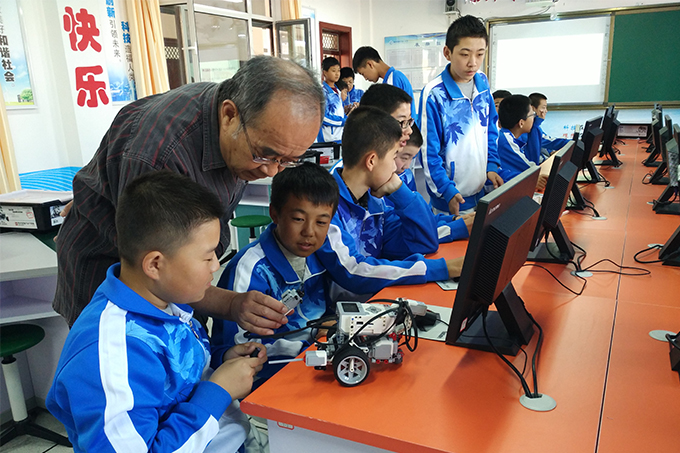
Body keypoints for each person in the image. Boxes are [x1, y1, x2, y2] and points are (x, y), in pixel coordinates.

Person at [53, 56, 325, 330]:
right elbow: (164, 275)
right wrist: (230, 304)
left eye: (288, 160)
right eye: (264, 155)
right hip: (114, 275)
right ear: (229, 115)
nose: (272, 171)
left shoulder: (241, 120)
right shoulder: (161, 157)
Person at [46, 171, 268, 453]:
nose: (215, 265)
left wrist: (220, 362)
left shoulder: (168, 302)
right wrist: (219, 391)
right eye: (207, 256)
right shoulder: (111, 353)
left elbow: (174, 379)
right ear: (155, 264)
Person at [317, 107, 463, 302]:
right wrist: (444, 268)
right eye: (394, 156)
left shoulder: (375, 201)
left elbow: (424, 244)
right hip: (339, 313)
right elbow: (353, 270)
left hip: (379, 301)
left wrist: (400, 191)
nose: (396, 167)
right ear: (371, 161)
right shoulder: (325, 205)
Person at [211, 163, 339, 385]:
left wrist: (328, 327)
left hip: (315, 361)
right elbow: (239, 347)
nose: (309, 232)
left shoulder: (321, 255)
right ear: (275, 214)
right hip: (266, 378)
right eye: (298, 219)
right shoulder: (251, 269)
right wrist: (313, 345)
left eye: (321, 222)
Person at [358, 83, 473, 243]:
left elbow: (406, 226)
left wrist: (452, 221)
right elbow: (400, 239)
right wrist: (455, 228)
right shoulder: (357, 183)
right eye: (402, 122)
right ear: (374, 123)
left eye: (410, 122)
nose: (410, 130)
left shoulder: (397, 175)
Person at [419, 15, 503, 216]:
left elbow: (491, 129)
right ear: (447, 53)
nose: (473, 63)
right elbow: (428, 153)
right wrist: (446, 190)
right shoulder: (434, 94)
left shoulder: (482, 83)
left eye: (480, 54)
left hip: (482, 193)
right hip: (451, 201)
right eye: (465, 54)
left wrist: (491, 165)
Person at [395, 126, 474, 242]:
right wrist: (457, 228)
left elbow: (418, 219)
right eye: (404, 158)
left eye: (412, 158)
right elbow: (406, 237)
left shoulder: (406, 175)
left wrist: (453, 220)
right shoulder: (380, 189)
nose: (407, 166)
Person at [496, 94, 549, 190]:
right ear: (521, 123)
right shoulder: (505, 140)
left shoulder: (511, 137)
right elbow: (529, 168)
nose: (534, 118)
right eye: (532, 115)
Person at [352, 46, 417, 119]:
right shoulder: (393, 77)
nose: (365, 78)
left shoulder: (392, 79)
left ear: (370, 64)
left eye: (363, 74)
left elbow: (392, 114)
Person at [528, 92, 571, 158]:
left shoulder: (535, 127)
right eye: (543, 107)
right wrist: (573, 142)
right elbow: (551, 142)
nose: (546, 111)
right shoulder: (530, 129)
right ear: (533, 109)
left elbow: (546, 141)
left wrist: (550, 151)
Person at [317, 57, 346, 144]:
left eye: (338, 70)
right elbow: (323, 117)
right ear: (325, 73)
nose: (337, 74)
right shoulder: (322, 92)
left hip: (339, 136)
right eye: (333, 71)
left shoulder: (338, 91)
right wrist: (342, 121)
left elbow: (340, 113)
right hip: (328, 139)